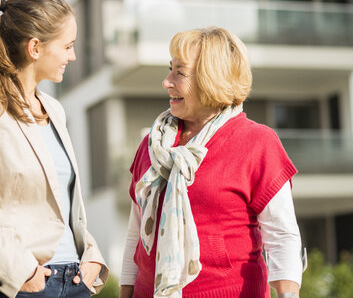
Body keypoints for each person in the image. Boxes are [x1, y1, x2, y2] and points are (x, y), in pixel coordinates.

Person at [0, 0, 108, 298]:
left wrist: (93, 255)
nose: (73, 56)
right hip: (19, 285)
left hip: (75, 280)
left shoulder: (55, 110)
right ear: (34, 48)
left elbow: (62, 202)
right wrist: (21, 272)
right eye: (67, 46)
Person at [119, 27, 305, 298]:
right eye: (169, 69)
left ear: (211, 78)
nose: (166, 81)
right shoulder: (151, 145)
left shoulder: (257, 142)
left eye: (179, 72)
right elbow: (136, 234)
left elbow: (282, 236)